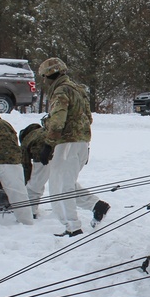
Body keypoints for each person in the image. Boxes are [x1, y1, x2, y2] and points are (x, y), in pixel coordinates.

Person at [37, 57, 109, 237]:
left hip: (67, 144)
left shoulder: (60, 92)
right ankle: (96, 206)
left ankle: (73, 227)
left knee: (61, 188)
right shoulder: (78, 89)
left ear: (49, 75)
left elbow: (57, 121)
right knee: (63, 184)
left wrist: (48, 145)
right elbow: (88, 118)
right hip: (81, 143)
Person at [20, 122, 109, 222]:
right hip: (66, 150)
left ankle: (30, 212)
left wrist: (24, 182)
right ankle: (96, 204)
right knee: (65, 185)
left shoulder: (27, 139)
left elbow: (25, 166)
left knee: (35, 184)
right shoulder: (45, 130)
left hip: (43, 155)